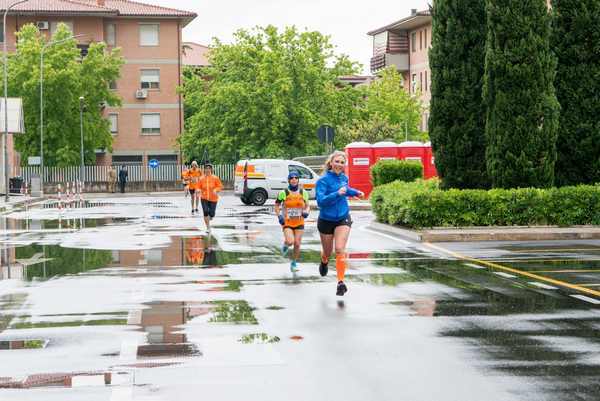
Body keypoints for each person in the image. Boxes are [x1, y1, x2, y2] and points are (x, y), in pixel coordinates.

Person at [316, 150, 364, 296]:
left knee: (340, 249)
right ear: (331, 163)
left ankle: (341, 282)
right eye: (337, 161)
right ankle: (324, 261)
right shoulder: (322, 181)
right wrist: (336, 194)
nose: (339, 164)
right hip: (326, 219)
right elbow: (320, 202)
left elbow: (346, 190)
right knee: (328, 252)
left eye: (342, 162)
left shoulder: (344, 178)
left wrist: (356, 192)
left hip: (343, 217)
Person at [274, 171, 310, 272]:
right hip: (287, 222)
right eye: (292, 178)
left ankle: (293, 263)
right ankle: (286, 245)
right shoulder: (283, 193)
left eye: (296, 178)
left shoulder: (303, 192)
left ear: (298, 180)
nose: (294, 179)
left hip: (299, 222)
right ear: (289, 180)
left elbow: (307, 206)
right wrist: (279, 215)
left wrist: (306, 212)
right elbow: (276, 205)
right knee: (290, 241)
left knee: (297, 244)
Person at [197, 164, 223, 230]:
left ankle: (210, 216)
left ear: (211, 170)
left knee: (212, 214)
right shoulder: (201, 178)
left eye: (209, 168)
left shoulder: (215, 178)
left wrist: (216, 190)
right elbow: (198, 187)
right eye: (206, 168)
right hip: (204, 198)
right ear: (204, 170)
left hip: (213, 198)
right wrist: (198, 190)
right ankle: (208, 227)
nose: (207, 170)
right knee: (205, 211)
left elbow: (220, 186)